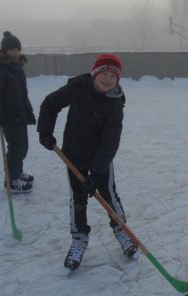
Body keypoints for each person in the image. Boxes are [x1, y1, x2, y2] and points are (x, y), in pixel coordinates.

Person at [37, 53, 137, 270]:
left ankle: (122, 231)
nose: (108, 79)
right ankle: (79, 238)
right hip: (73, 156)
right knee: (78, 199)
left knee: (109, 195)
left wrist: (97, 172)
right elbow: (49, 104)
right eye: (104, 73)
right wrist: (45, 131)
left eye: (114, 75)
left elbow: (110, 142)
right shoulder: (77, 88)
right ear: (95, 73)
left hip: (100, 159)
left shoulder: (115, 105)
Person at [0, 31, 36, 193]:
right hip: (9, 117)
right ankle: (12, 181)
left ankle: (17, 173)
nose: (15, 52)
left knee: (23, 146)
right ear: (4, 51)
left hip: (20, 115)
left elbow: (21, 93)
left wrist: (28, 111)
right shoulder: (3, 69)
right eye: (11, 49)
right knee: (17, 148)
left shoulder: (17, 67)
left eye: (17, 49)